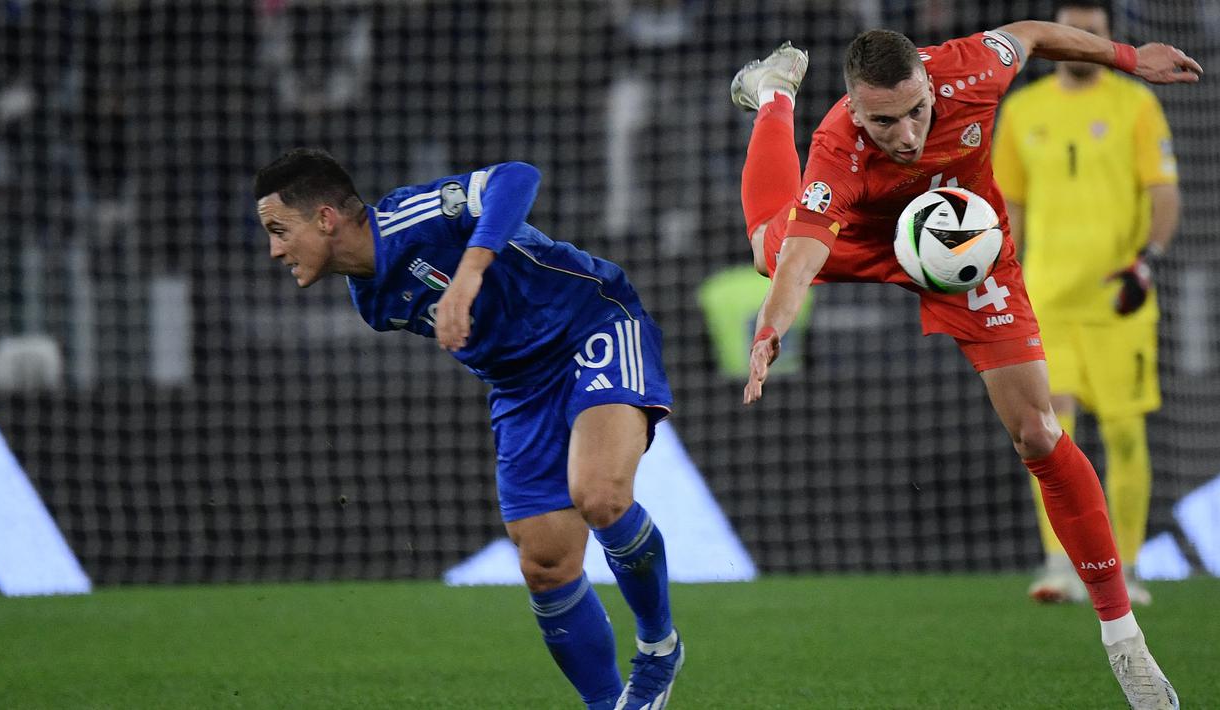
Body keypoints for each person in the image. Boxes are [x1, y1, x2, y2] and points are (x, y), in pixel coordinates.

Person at [729, 19, 1199, 710]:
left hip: (966, 247)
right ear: (856, 108)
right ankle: (773, 95)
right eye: (884, 120)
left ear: (927, 82)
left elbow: (1035, 34)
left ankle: (1124, 640)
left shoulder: (972, 69)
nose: (908, 133)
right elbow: (801, 261)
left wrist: (1127, 57)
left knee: (1039, 433)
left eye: (916, 109)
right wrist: (771, 327)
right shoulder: (838, 146)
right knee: (770, 250)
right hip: (868, 239)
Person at [254, 149, 683, 710]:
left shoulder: (412, 217)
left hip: (591, 324)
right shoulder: (373, 302)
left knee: (600, 495)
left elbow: (517, 177)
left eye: (279, 229)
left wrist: (469, 273)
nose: (274, 249)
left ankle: (657, 648)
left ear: (326, 218)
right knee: (545, 565)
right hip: (519, 387)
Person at [992, 0, 1181, 609]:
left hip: (1117, 301)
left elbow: (1163, 192)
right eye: (1073, 33)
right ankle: (1060, 565)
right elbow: (1010, 207)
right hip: (1046, 295)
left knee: (1125, 435)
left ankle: (1125, 566)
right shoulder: (1022, 111)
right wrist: (1005, 275)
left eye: (1093, 34)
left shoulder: (1136, 104)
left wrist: (1147, 260)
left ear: (1107, 38)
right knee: (1047, 432)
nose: (1081, 43)